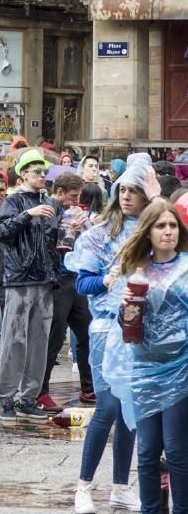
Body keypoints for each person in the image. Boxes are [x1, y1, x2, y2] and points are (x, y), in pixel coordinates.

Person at [65, 154, 157, 514]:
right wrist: (106, 279)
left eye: (135, 190)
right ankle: (84, 487)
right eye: (123, 189)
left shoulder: (156, 233)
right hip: (106, 331)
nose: (127, 196)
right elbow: (82, 282)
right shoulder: (99, 234)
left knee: (130, 410)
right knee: (108, 407)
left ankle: (120, 487)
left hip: (142, 332)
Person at [101, 201, 188, 514]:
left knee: (177, 451)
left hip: (181, 370)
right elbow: (126, 329)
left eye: (173, 225)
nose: (167, 232)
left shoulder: (187, 267)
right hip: (143, 367)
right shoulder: (136, 271)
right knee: (148, 450)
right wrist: (126, 307)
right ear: (148, 232)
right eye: (160, 226)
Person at [0, 149, 60, 424]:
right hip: (19, 278)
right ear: (23, 174)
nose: (42, 175)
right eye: (37, 171)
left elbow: (51, 240)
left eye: (44, 171)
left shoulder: (50, 203)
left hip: (45, 279)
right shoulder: (13, 200)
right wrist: (28, 214)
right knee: (15, 339)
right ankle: (7, 397)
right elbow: (3, 232)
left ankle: (29, 398)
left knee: (38, 341)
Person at [37, 173, 94, 413]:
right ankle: (41, 391)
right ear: (59, 192)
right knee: (54, 337)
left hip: (74, 276)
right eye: (73, 197)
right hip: (56, 281)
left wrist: (83, 227)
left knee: (86, 333)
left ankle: (88, 387)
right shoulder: (47, 210)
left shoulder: (74, 213)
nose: (76, 201)